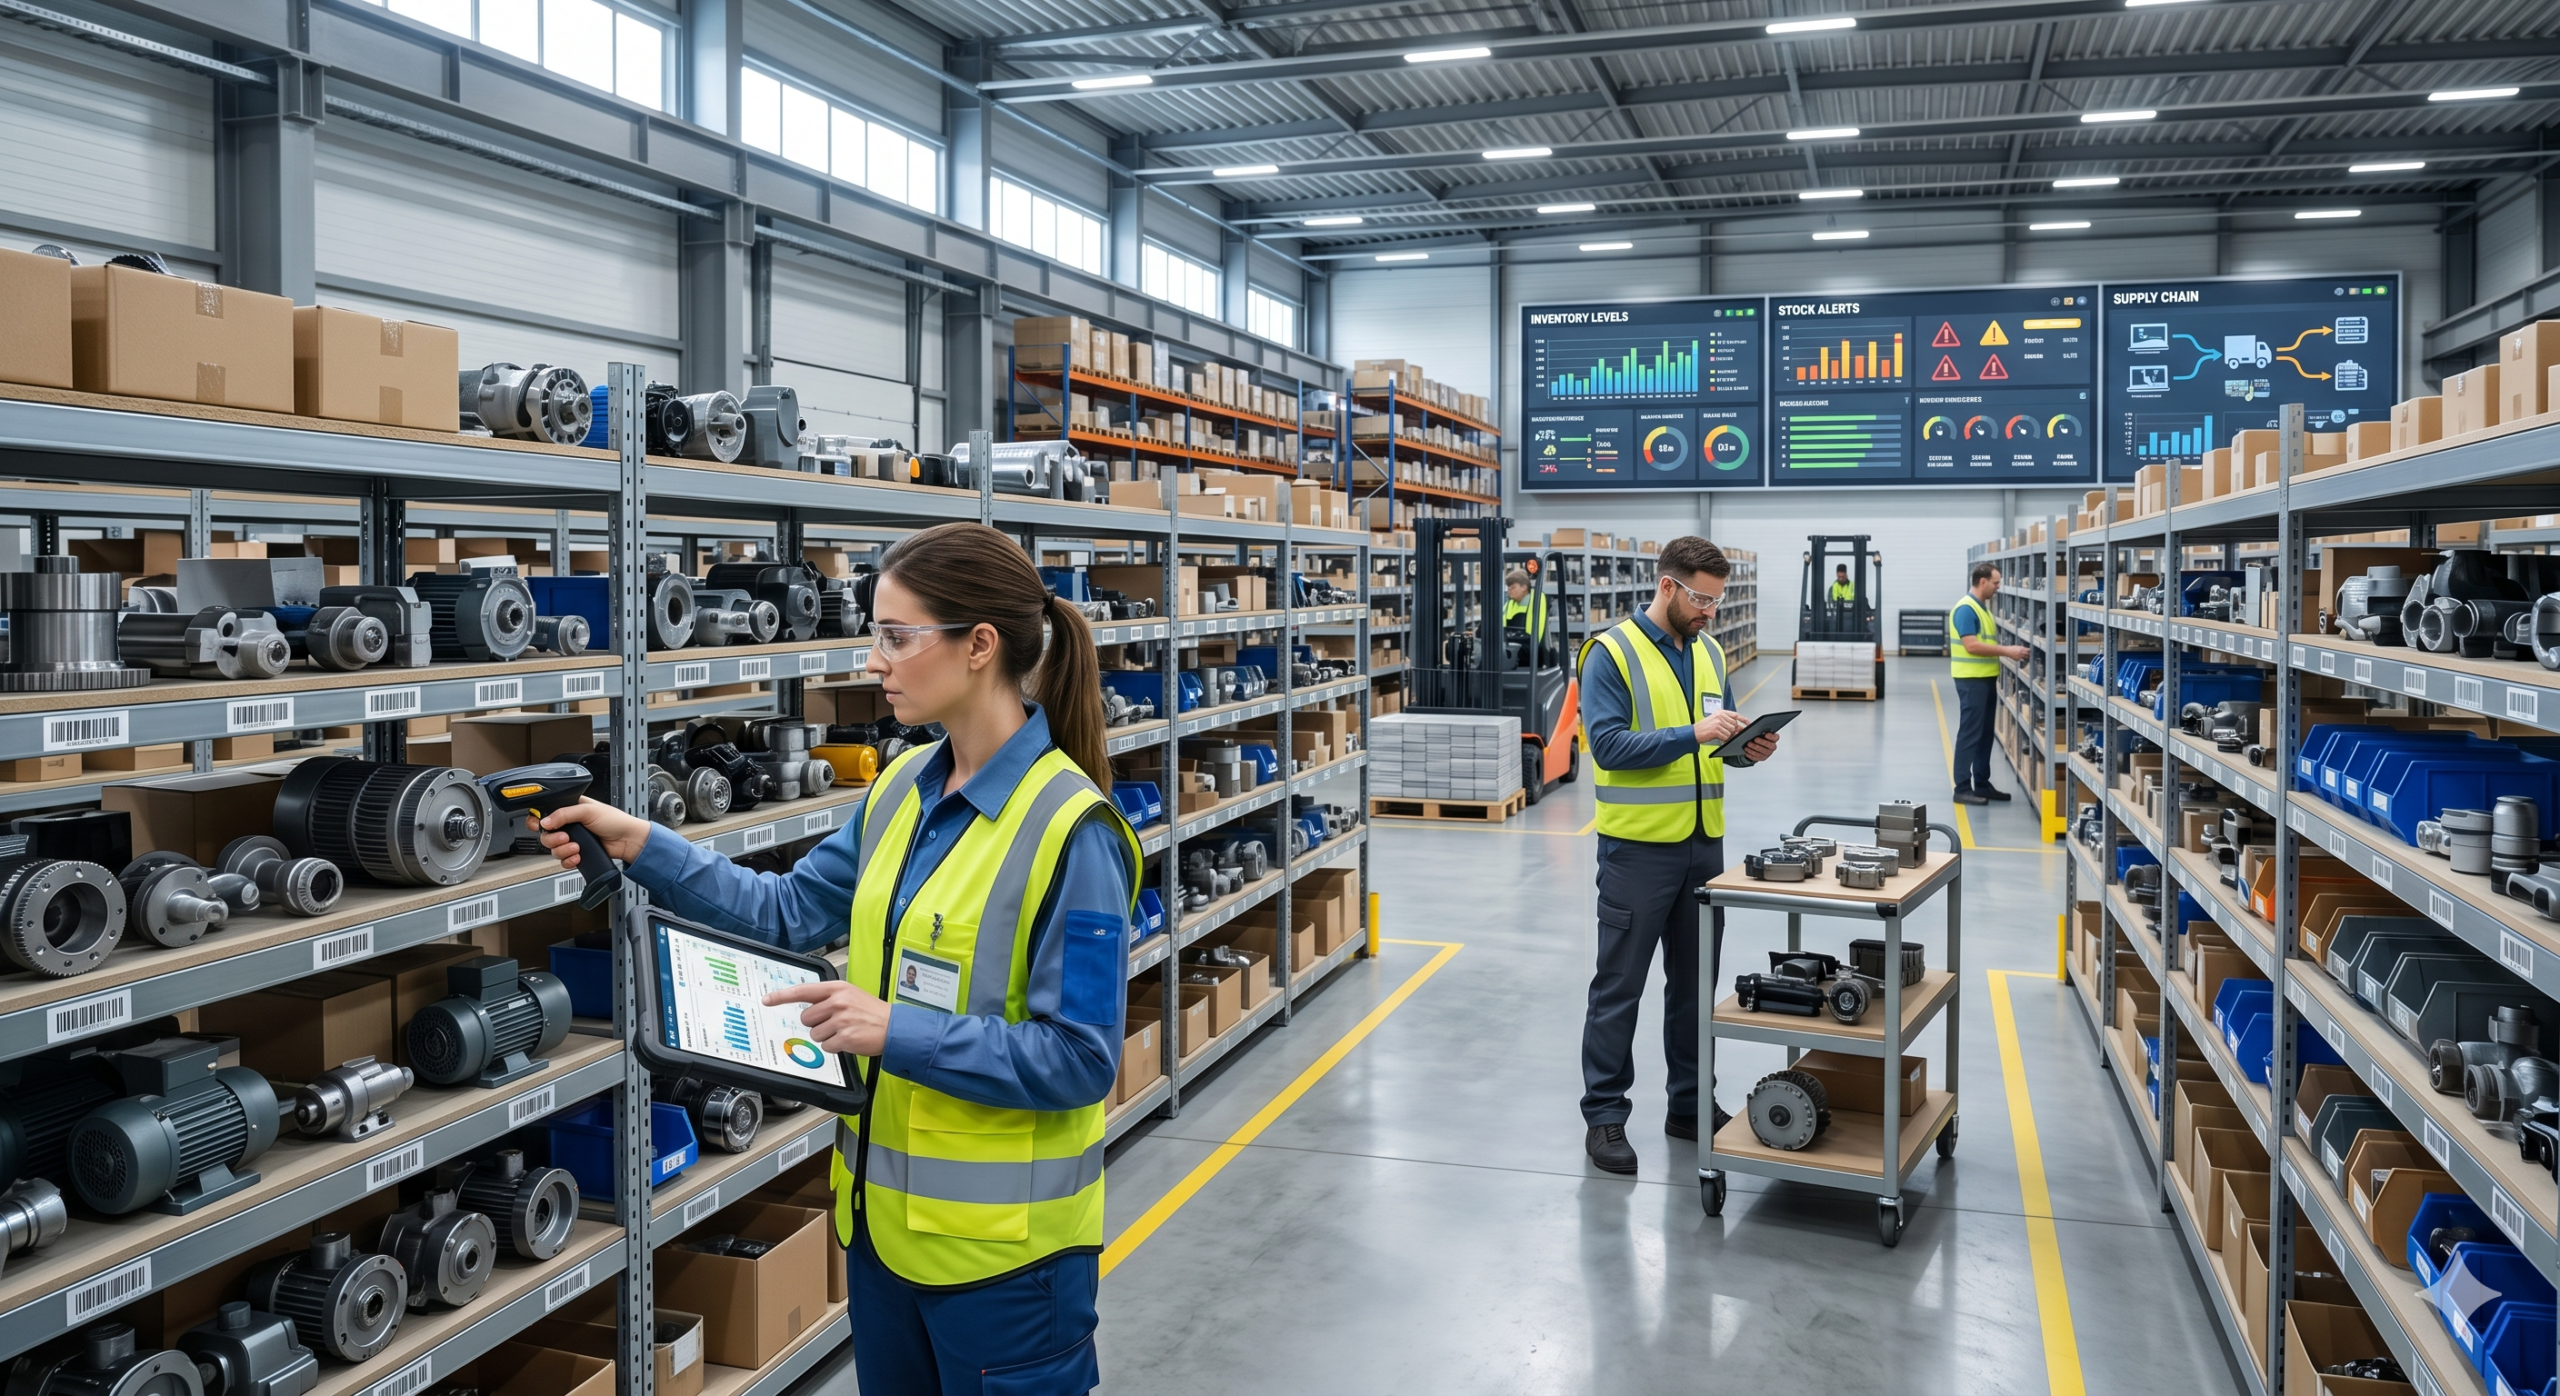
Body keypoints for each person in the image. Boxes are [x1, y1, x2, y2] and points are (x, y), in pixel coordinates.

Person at [536, 522, 1138, 1396]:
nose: (874, 660)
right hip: (880, 1239)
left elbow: (1082, 1060)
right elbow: (785, 912)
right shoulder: (901, 788)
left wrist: (897, 1031)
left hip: (1007, 1265)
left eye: (896, 637)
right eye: (874, 634)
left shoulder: (1072, 832)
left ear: (979, 647)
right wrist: (642, 844)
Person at [1575, 535, 1781, 1175]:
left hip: (1702, 848)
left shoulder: (1710, 652)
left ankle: (1689, 1106)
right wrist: (1693, 734)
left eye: (1717, 601)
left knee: (1695, 989)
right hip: (1637, 852)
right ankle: (1606, 1118)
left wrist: (1744, 749)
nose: (1711, 612)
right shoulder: (1610, 653)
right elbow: (1608, 746)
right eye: (1701, 599)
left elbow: (1709, 748)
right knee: (1620, 989)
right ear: (1667, 586)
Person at [1951, 561, 2029, 806]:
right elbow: (1971, 645)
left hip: (1984, 679)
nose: (1998, 587)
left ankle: (1982, 784)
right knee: (1970, 733)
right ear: (1982, 581)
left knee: (1985, 734)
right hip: (1970, 680)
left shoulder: (1982, 608)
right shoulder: (1966, 609)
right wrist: (2007, 651)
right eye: (1995, 583)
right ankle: (1962, 787)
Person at [1504, 565, 1548, 650]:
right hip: (1513, 649)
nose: (1509, 590)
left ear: (1524, 587)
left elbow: (1532, 637)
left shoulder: (1536, 601)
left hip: (1529, 652)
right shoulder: (1508, 605)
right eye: (1508, 587)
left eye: (1513, 587)